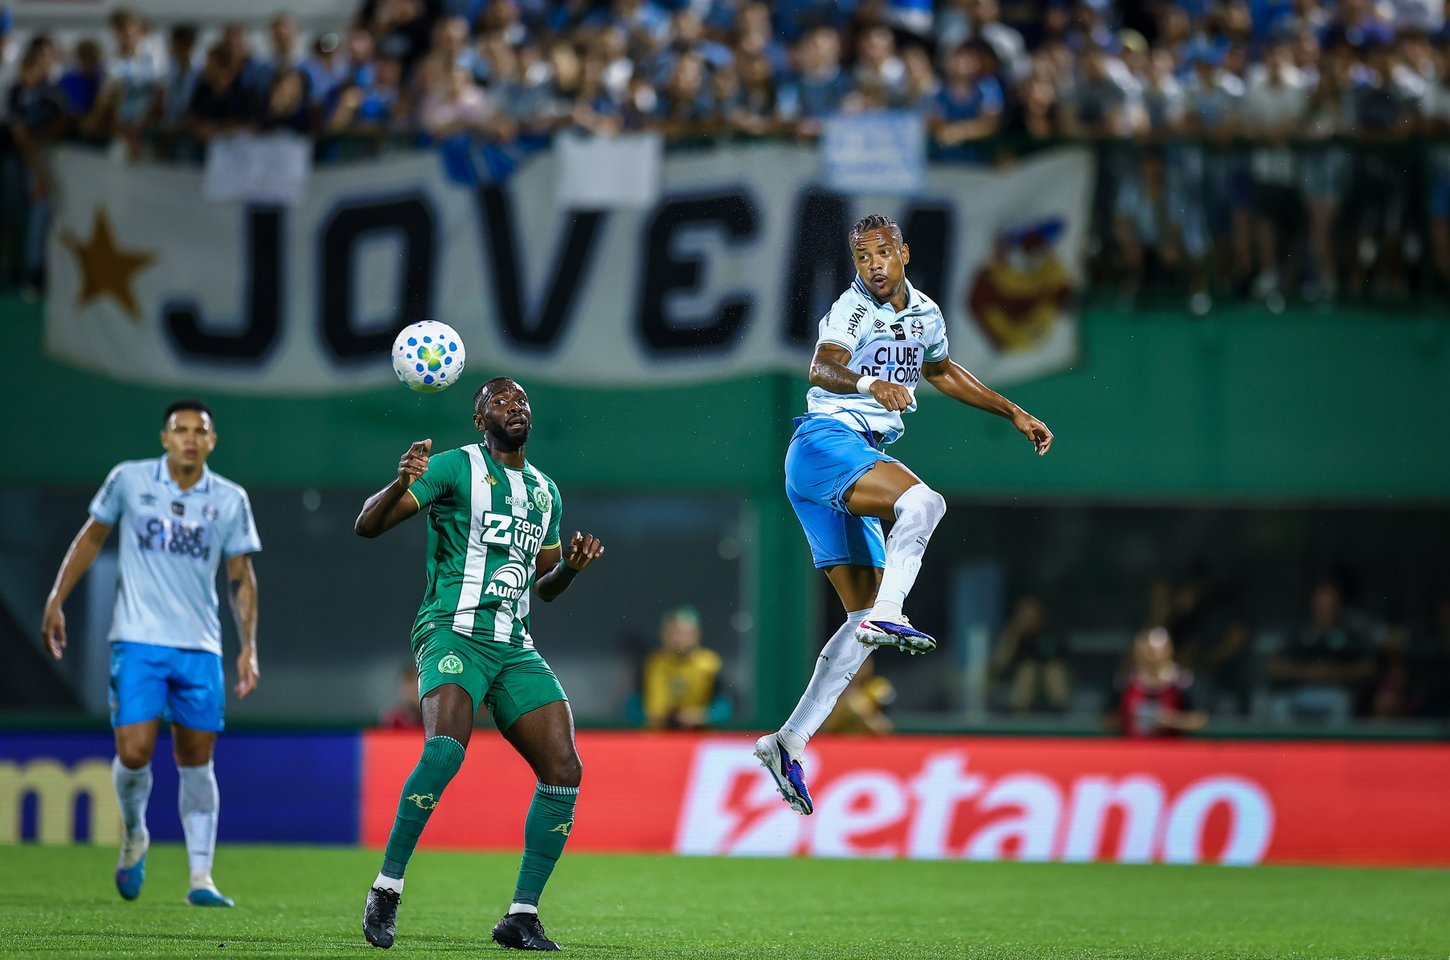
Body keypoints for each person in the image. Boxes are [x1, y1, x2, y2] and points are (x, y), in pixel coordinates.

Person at [754, 213, 1053, 816]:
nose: (873, 266)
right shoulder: (850, 309)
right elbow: (821, 368)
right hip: (826, 443)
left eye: (882, 253)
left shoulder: (927, 315)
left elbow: (941, 371)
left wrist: (1012, 411)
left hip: (843, 463)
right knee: (924, 502)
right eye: (862, 257)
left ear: (904, 253)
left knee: (859, 616)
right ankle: (891, 614)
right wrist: (869, 385)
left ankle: (786, 742)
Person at [354, 376, 603, 953]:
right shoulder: (450, 467)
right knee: (445, 749)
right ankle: (387, 885)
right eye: (499, 401)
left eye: (521, 400)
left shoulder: (545, 491)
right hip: (452, 630)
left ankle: (521, 915)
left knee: (564, 770)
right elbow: (366, 526)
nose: (514, 407)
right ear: (478, 420)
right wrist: (399, 484)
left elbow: (544, 588)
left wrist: (570, 568)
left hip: (513, 645)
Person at [41, 399, 261, 907]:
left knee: (196, 758)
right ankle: (135, 833)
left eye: (198, 431)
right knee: (134, 751)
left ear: (212, 441)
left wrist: (248, 645)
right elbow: (91, 538)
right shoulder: (129, 480)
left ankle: (201, 878)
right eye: (179, 429)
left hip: (200, 646)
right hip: (137, 639)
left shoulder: (229, 499)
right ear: (164, 438)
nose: (189, 437)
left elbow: (240, 577)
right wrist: (57, 598)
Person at [1106, 627, 1207, 738]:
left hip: (1172, 751)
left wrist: (1170, 720)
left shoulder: (1183, 683)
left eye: (1153, 651)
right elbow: (1108, 720)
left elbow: (1199, 720)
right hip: (1133, 750)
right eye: (1143, 651)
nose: (1149, 657)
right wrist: (1128, 716)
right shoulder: (1124, 683)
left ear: (1168, 650)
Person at [640, 606, 722, 730]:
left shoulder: (710, 664)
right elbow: (634, 705)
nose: (679, 639)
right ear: (664, 635)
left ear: (697, 635)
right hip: (658, 735)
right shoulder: (653, 663)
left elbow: (725, 707)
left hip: (698, 735)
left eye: (686, 633)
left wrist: (702, 716)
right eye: (674, 633)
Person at [379, 662, 425, 729]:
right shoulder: (393, 719)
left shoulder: (434, 716)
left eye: (417, 683)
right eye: (409, 684)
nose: (414, 689)